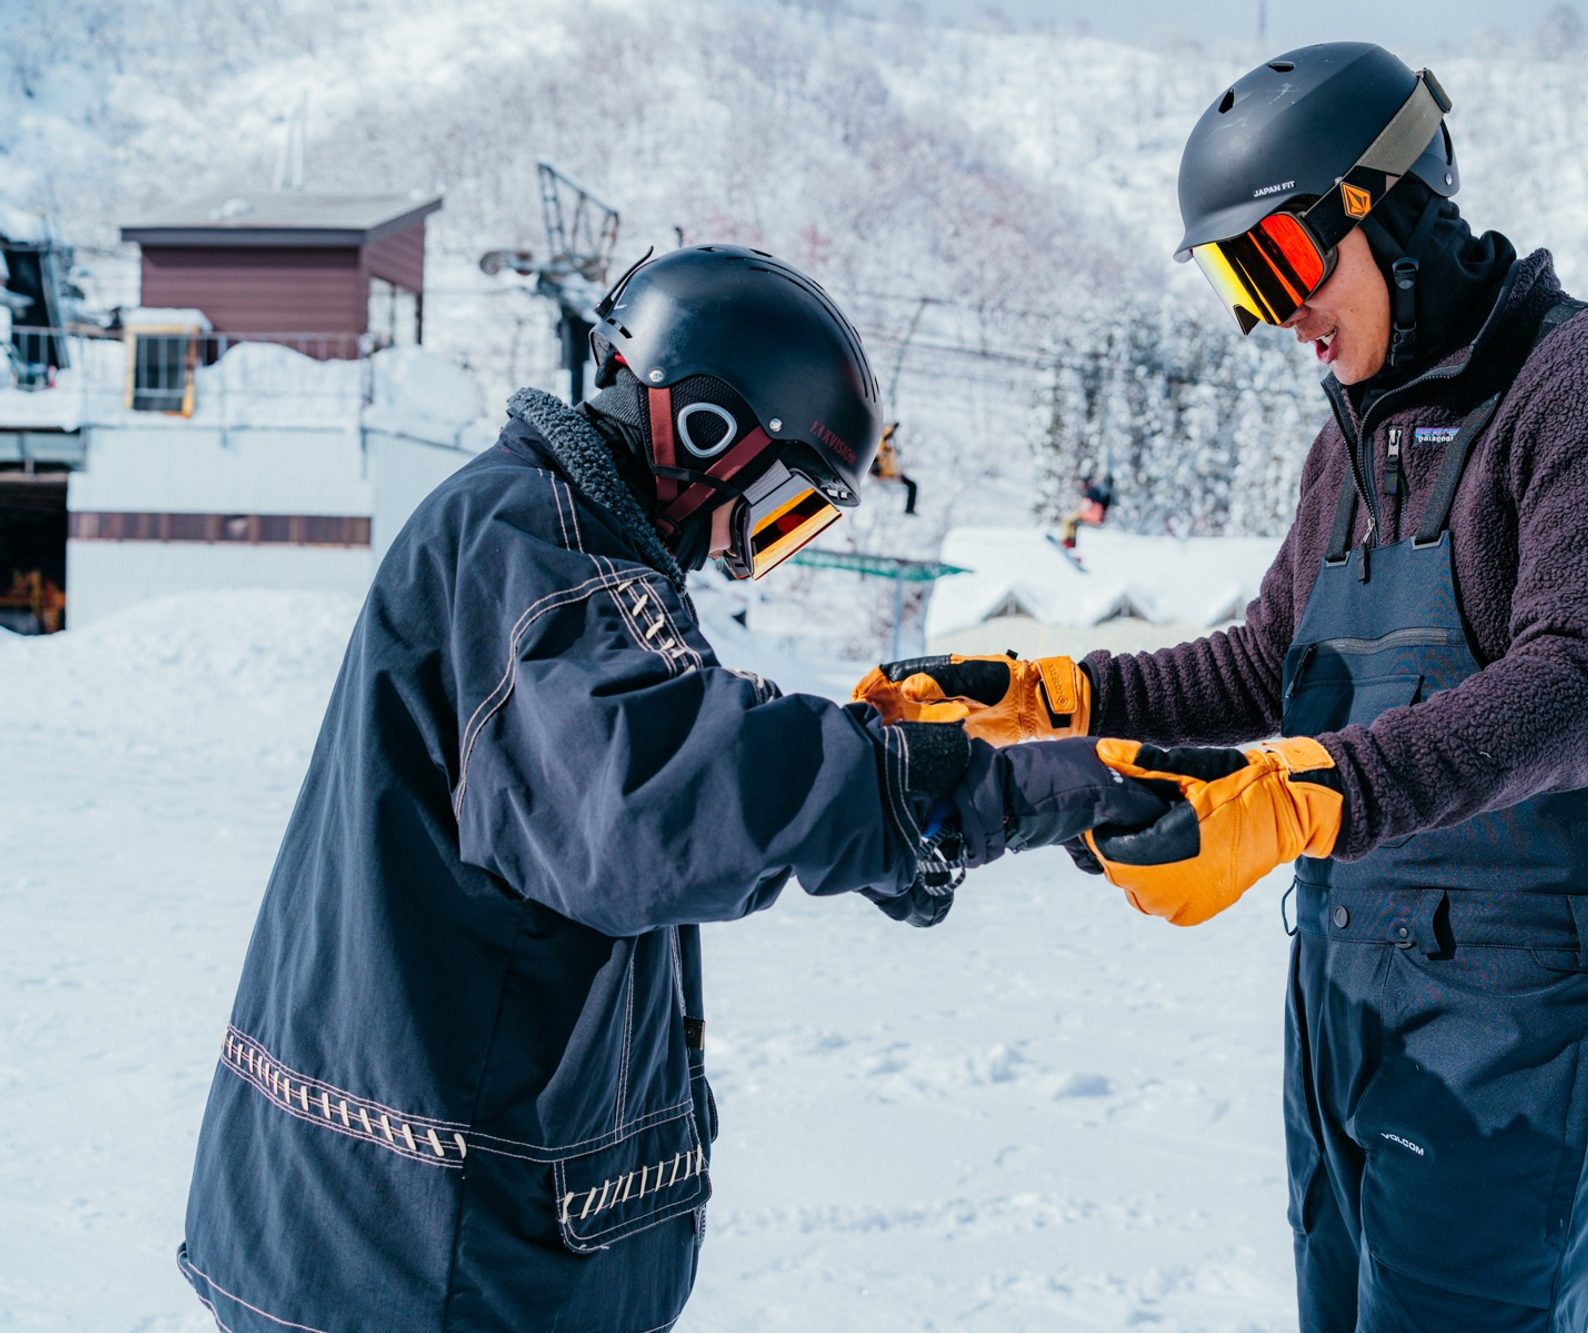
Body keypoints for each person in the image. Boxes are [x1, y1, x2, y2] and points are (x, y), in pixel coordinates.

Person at [857, 44, 1588, 1332]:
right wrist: (1048, 697)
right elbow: (1272, 661)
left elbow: (1585, 683)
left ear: (1392, 208)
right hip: (1343, 993)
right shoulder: (1355, 437)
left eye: (1272, 265)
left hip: (1517, 1021)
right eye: (1233, 284)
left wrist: (1296, 796)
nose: (1271, 319)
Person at [176, 246, 1160, 1332]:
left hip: (369, 1226)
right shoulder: (553, 560)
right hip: (427, 1258)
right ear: (702, 432)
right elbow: (657, 799)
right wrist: (974, 791)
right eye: (780, 507)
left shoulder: (525, 531)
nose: (747, 551)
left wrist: (883, 764)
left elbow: (656, 734)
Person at [1058, 474, 1114, 549]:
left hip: (1092, 515)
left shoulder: (1094, 490)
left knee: (1069, 521)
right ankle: (1070, 543)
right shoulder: (1101, 491)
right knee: (1072, 522)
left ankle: (1068, 542)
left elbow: (1091, 505)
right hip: (1093, 515)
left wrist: (1082, 510)